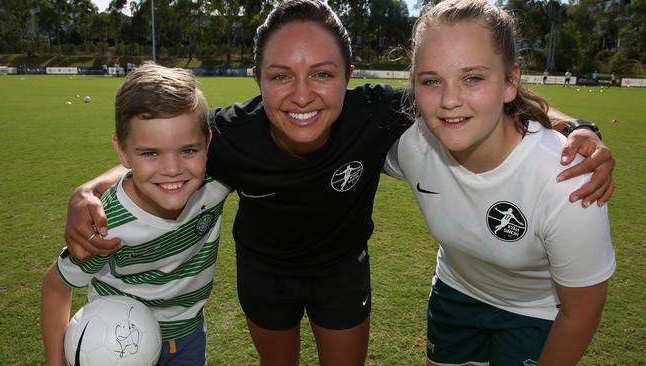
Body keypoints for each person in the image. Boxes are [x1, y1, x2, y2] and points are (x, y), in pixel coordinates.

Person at [61, 1, 615, 365]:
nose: (302, 95)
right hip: (266, 274)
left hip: (341, 273)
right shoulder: (230, 137)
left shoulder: (378, 115)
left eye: (323, 74)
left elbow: (484, 104)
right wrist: (91, 188)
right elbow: (167, 154)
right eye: (280, 76)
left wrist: (575, 127)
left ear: (350, 77)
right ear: (258, 80)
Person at [385, 1, 616, 364]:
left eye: (473, 78)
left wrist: (577, 126)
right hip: (454, 293)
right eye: (431, 81)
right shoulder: (415, 147)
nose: (449, 100)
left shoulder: (565, 178)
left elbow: (582, 311)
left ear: (511, 82)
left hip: (537, 312)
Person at [41, 63, 229, 366]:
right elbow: (56, 286)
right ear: (123, 152)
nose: (172, 169)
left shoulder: (216, 181)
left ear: (207, 143)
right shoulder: (107, 224)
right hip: (118, 347)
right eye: (150, 153)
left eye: (188, 150)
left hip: (189, 335)